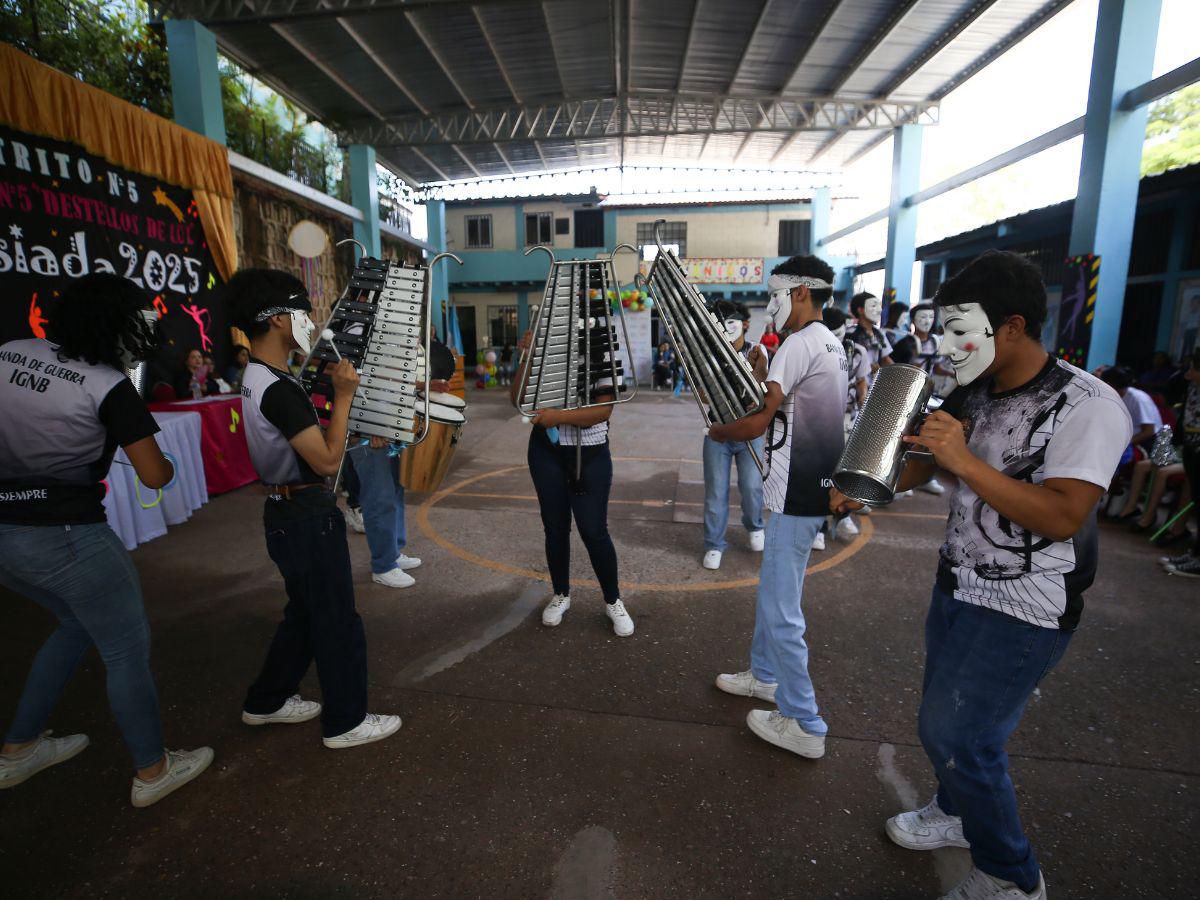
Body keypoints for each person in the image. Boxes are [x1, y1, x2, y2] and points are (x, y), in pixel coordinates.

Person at [832, 250, 1132, 900]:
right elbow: (926, 466)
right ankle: (955, 813)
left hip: (1028, 604)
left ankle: (1012, 876)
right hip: (958, 585)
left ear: (1013, 328)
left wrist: (962, 460)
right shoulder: (977, 388)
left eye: (957, 329)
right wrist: (874, 476)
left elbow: (1062, 514)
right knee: (944, 721)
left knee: (959, 732)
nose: (944, 345)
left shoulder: (1088, 405)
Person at [0, 273, 212, 807]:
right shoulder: (107, 384)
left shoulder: (9, 351)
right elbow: (155, 475)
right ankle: (153, 770)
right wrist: (163, 459)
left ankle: (19, 748)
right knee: (124, 649)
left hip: (5, 536)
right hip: (68, 537)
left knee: (75, 623)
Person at [225, 268, 401, 750]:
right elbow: (325, 460)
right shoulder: (278, 388)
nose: (308, 320)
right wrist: (343, 398)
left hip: (286, 514)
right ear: (279, 319)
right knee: (337, 619)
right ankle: (347, 721)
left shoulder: (262, 376)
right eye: (301, 311)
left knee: (304, 613)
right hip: (304, 515)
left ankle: (266, 700)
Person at [711, 255, 847, 760]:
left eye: (775, 294)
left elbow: (758, 420)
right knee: (775, 590)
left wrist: (718, 429)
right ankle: (764, 676)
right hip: (809, 488)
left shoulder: (797, 342)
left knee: (780, 606)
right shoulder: (831, 341)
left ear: (801, 293)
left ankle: (804, 719)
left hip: (796, 493)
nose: (771, 306)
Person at [509, 322, 635, 638]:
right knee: (555, 527)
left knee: (594, 530)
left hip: (589, 453)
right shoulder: (546, 349)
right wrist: (527, 354)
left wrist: (559, 417)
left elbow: (603, 410)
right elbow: (518, 399)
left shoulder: (604, 350)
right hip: (546, 451)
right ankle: (561, 594)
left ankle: (613, 599)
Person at [701, 301, 765, 570]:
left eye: (732, 321)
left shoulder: (757, 352)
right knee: (716, 492)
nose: (726, 327)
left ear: (745, 324)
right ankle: (714, 544)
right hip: (718, 433)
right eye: (720, 321)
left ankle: (755, 525)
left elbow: (762, 391)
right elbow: (704, 395)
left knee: (752, 486)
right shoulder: (708, 355)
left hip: (750, 432)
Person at [821, 305, 868, 543]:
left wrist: (864, 408)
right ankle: (819, 524)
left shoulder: (858, 352)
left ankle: (844, 514)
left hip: (849, 416)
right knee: (821, 472)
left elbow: (862, 382)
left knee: (848, 470)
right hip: (821, 419)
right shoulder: (816, 349)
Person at [1162, 349, 1200, 577]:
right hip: (1192, 449)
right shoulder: (1193, 390)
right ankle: (1195, 552)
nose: (1188, 374)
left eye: (1193, 369)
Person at [1101, 366, 1162, 449]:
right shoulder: (1110, 396)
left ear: (1109, 384)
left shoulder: (1138, 398)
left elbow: (1149, 431)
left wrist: (1123, 445)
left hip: (1146, 443)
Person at [847, 291, 892, 383]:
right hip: (856, 386)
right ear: (860, 310)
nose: (879, 310)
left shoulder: (879, 333)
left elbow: (885, 359)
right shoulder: (850, 334)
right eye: (874, 306)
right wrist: (867, 368)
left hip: (875, 386)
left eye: (879, 306)